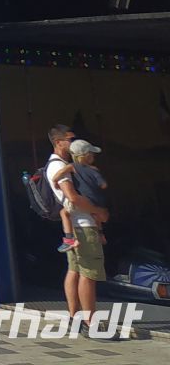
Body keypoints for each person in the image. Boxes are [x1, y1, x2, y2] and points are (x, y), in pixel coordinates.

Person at [46, 125, 109, 330]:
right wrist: (98, 212)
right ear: (58, 142)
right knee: (88, 274)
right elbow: (72, 197)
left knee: (74, 270)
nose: (73, 143)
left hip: (75, 228)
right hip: (83, 225)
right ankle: (90, 322)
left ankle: (75, 317)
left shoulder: (64, 165)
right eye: (70, 139)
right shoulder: (59, 166)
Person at [57, 139, 109, 250]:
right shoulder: (94, 169)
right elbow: (103, 185)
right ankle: (101, 235)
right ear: (87, 156)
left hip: (85, 200)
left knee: (63, 213)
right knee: (96, 216)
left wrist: (54, 181)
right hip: (97, 200)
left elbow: (60, 173)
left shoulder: (71, 166)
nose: (94, 156)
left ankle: (69, 239)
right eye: (92, 154)